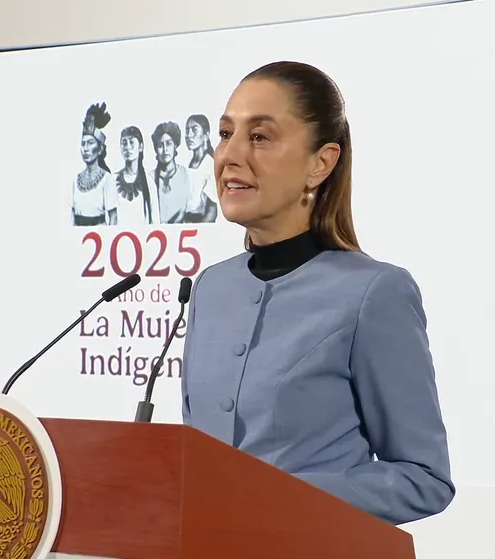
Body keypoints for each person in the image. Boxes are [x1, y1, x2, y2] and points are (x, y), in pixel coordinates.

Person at [180, 61, 455, 525]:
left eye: (259, 137)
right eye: (225, 134)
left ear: (320, 163)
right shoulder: (210, 288)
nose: (230, 155)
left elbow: (424, 478)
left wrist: (279, 495)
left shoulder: (374, 293)